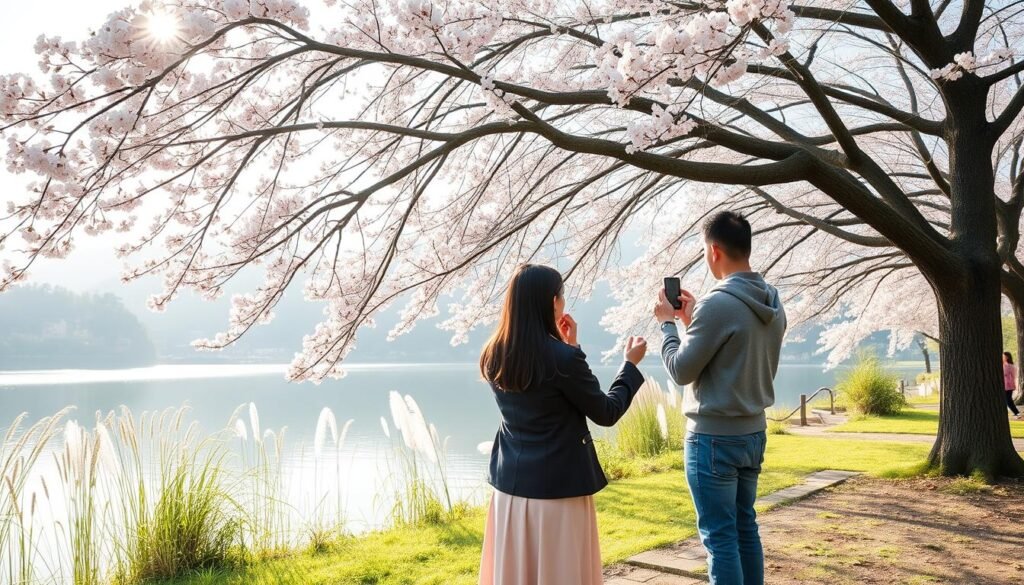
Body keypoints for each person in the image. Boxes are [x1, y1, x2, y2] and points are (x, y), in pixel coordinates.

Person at [478, 264, 648, 585]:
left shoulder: (493, 354)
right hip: (558, 492)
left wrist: (570, 349)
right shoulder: (562, 359)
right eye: (561, 296)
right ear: (552, 302)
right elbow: (606, 412)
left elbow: (541, 396)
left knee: (516, 574)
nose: (563, 302)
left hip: (510, 491)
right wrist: (629, 365)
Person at [653, 211, 786, 585]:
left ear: (714, 251)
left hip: (712, 438)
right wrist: (691, 321)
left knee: (720, 538)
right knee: (745, 527)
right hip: (753, 433)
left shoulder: (718, 303)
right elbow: (732, 353)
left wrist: (667, 324)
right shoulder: (772, 300)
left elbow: (681, 370)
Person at [1003, 352, 1021, 420]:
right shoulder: (1005, 365)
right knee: (1008, 400)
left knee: (1008, 401)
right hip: (1007, 386)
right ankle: (1016, 413)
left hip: (1008, 386)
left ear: (1007, 357)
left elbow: (1010, 375)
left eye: (1003, 356)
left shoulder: (1009, 366)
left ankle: (1017, 413)